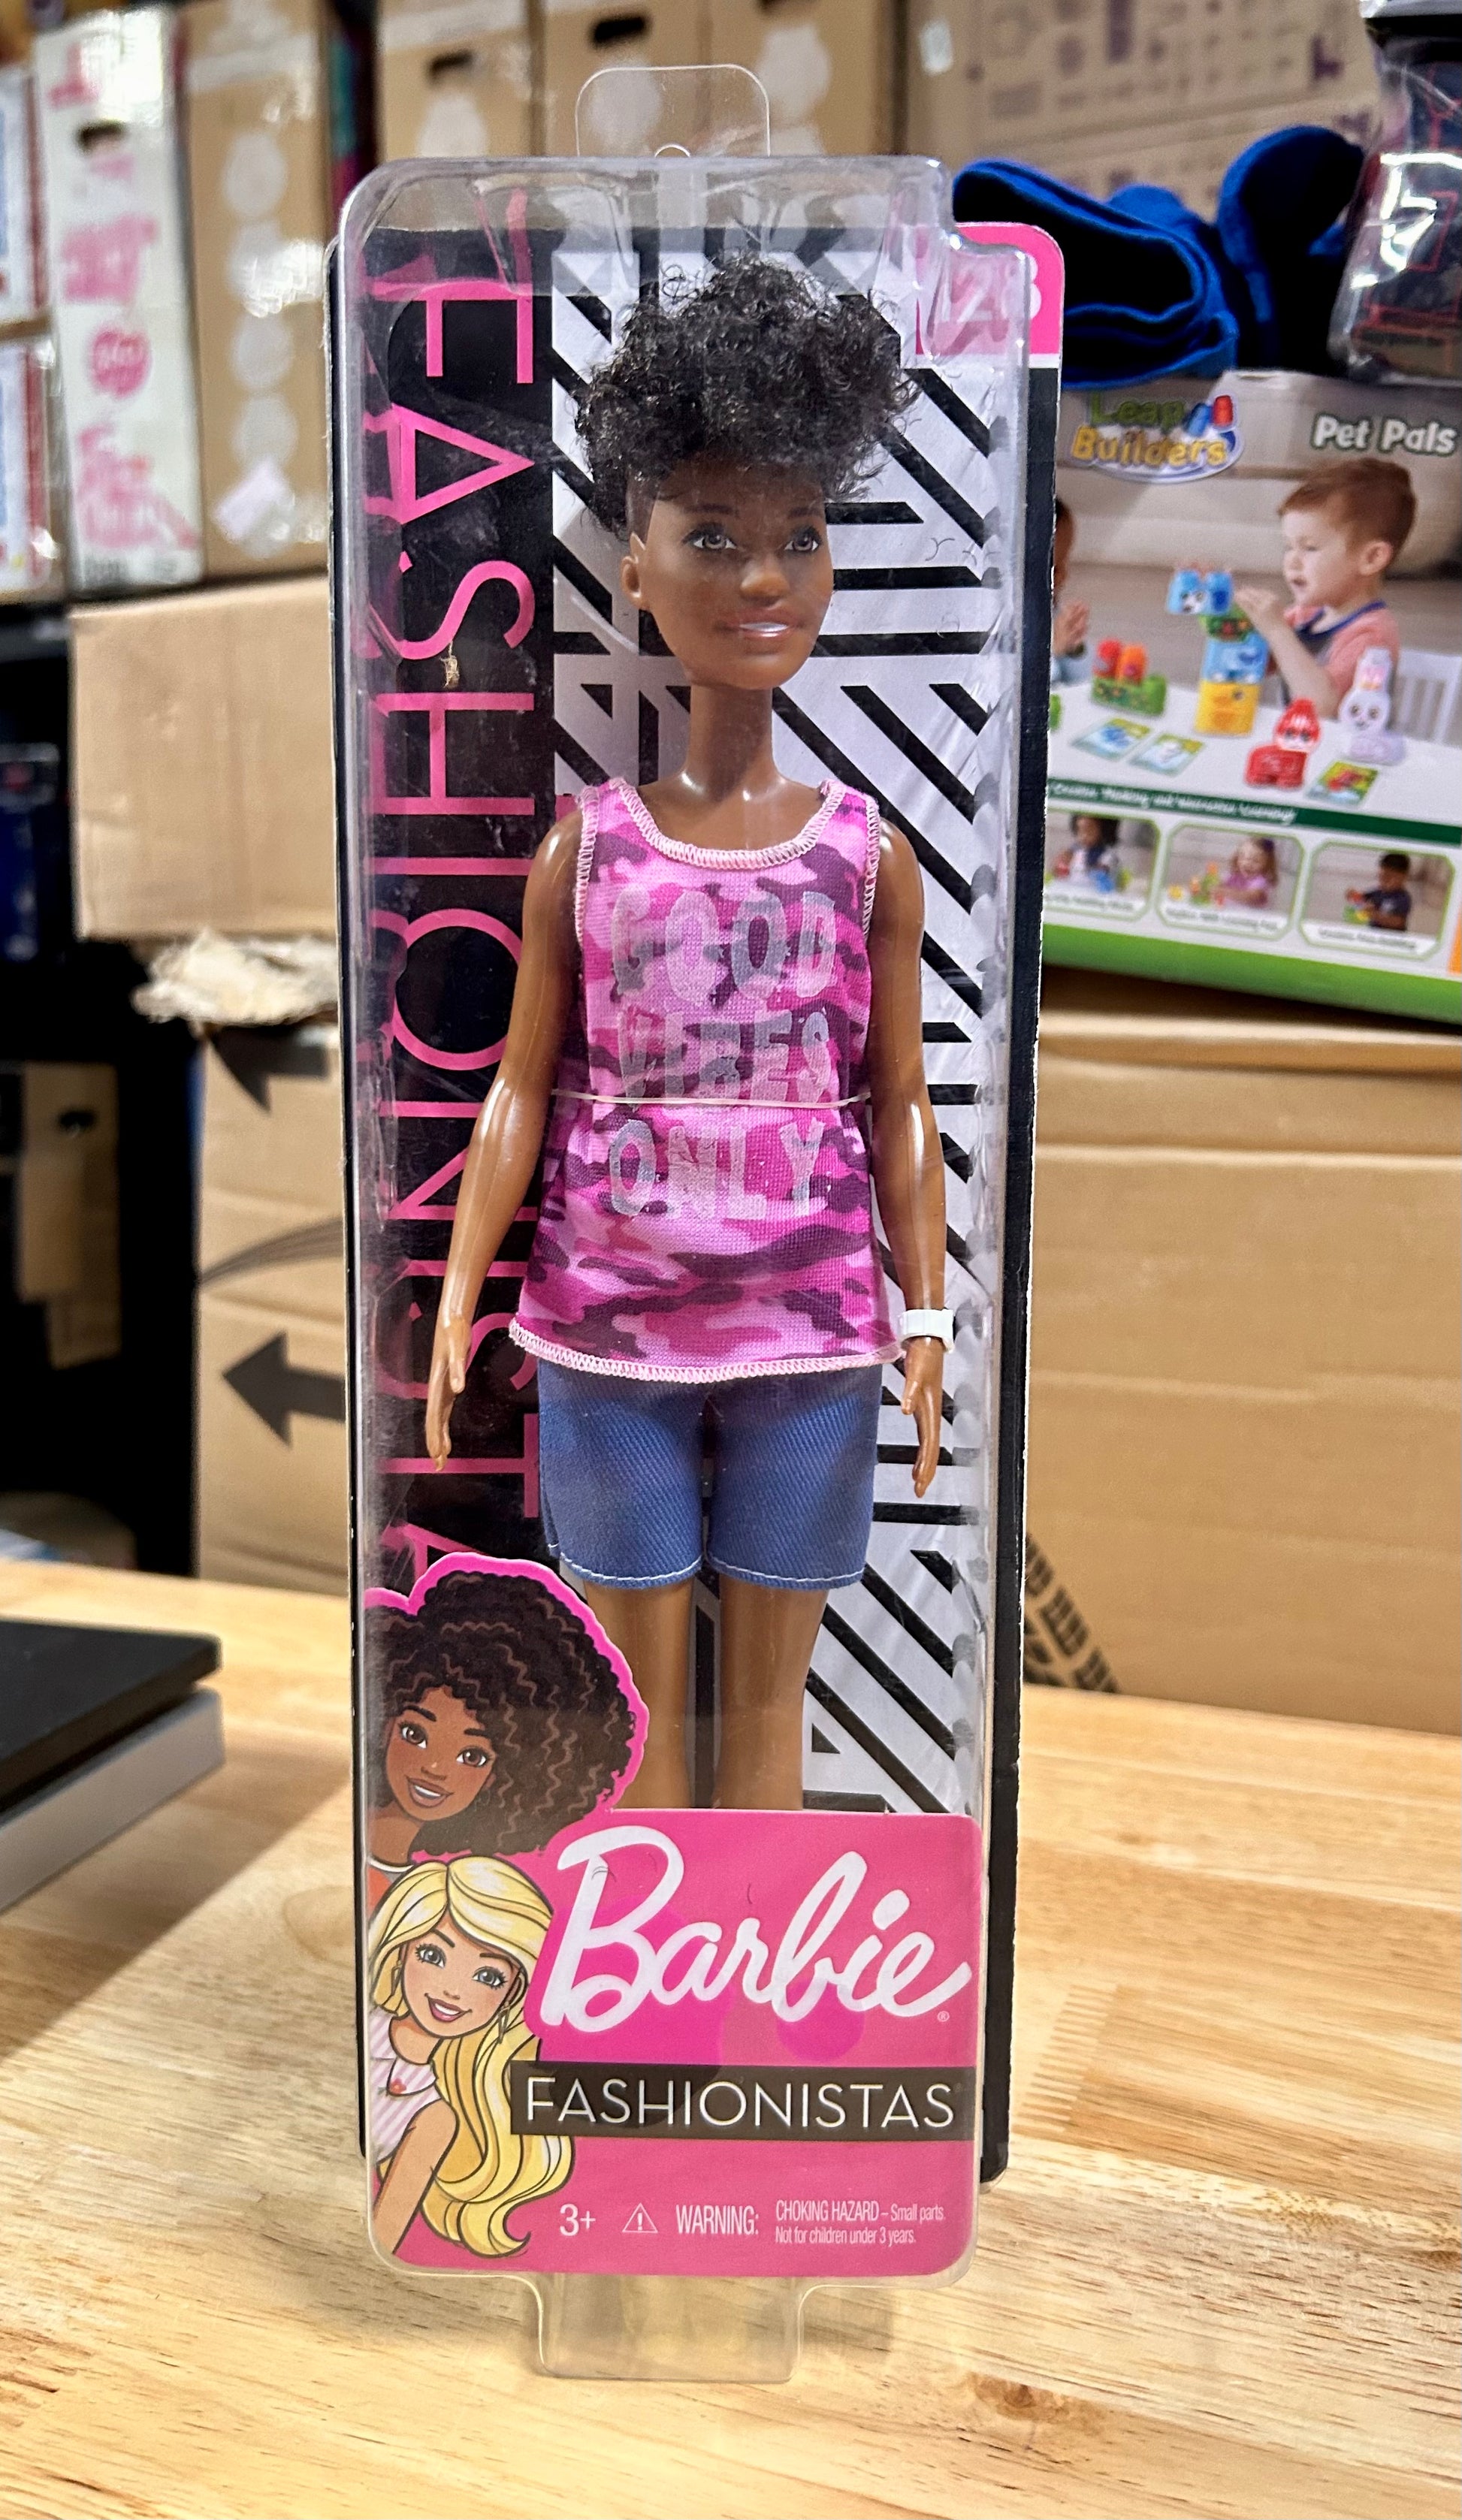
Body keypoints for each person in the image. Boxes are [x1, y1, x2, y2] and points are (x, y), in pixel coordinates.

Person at [424, 258, 949, 1813]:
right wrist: (462, 1286)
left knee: (771, 1711)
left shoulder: (867, 855)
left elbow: (900, 1105)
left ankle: (761, 1961)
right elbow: (518, 1087)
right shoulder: (586, 849)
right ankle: (653, 1952)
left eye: (799, 535)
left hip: (811, 1330)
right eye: (711, 536)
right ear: (635, 571)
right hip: (608, 1325)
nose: (762, 577)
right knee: (638, 1711)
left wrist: (928, 1317)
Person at [364, 1560, 640, 1909]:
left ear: (507, 1775)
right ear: (385, 1724)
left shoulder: (456, 1899)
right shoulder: (369, 1873)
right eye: (414, 1733)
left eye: (472, 1756)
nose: (434, 1768)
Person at [367, 1856, 571, 2259]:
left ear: (512, 1994)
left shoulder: (436, 2117)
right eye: (432, 1955)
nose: (453, 1991)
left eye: (488, 1976)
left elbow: (383, 2237)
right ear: (402, 1950)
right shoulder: (364, 2027)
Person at [1236, 457, 1415, 719]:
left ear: (1371, 558)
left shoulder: (1372, 635)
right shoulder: (1306, 615)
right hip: (1299, 739)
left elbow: (1321, 706)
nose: (1292, 561)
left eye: (1310, 548)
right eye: (1288, 547)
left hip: (1343, 746)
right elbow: (1245, 664)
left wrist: (1277, 631)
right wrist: (1218, 604)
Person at [1050, 497, 1089, 686]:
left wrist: (1073, 648)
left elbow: (1081, 681)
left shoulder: (1052, 611)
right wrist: (1052, 653)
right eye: (1055, 569)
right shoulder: (1006, 623)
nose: (1064, 576)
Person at [1053, 812, 1121, 892]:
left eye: (1089, 831)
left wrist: (1101, 870)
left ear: (1103, 830)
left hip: (1094, 893)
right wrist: (1063, 863)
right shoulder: (1076, 852)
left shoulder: (1107, 856)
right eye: (1080, 831)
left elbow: (1106, 877)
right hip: (1073, 890)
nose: (1084, 836)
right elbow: (1063, 873)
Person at [1348, 850, 1413, 931]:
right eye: (1381, 877)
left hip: (1390, 937)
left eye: (1389, 877)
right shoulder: (1377, 892)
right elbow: (1361, 898)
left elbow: (1398, 922)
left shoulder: (1403, 898)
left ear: (1404, 877)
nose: (1384, 881)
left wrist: (1374, 915)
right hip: (1373, 933)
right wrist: (1353, 895)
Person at [1218, 835, 1279, 910]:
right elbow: (1219, 884)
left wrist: (1224, 891)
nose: (1247, 864)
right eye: (1243, 857)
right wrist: (1214, 886)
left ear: (1266, 865)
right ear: (1237, 858)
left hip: (1253, 915)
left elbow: (1250, 896)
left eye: (1256, 861)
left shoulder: (1261, 881)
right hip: (1231, 912)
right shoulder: (1233, 875)